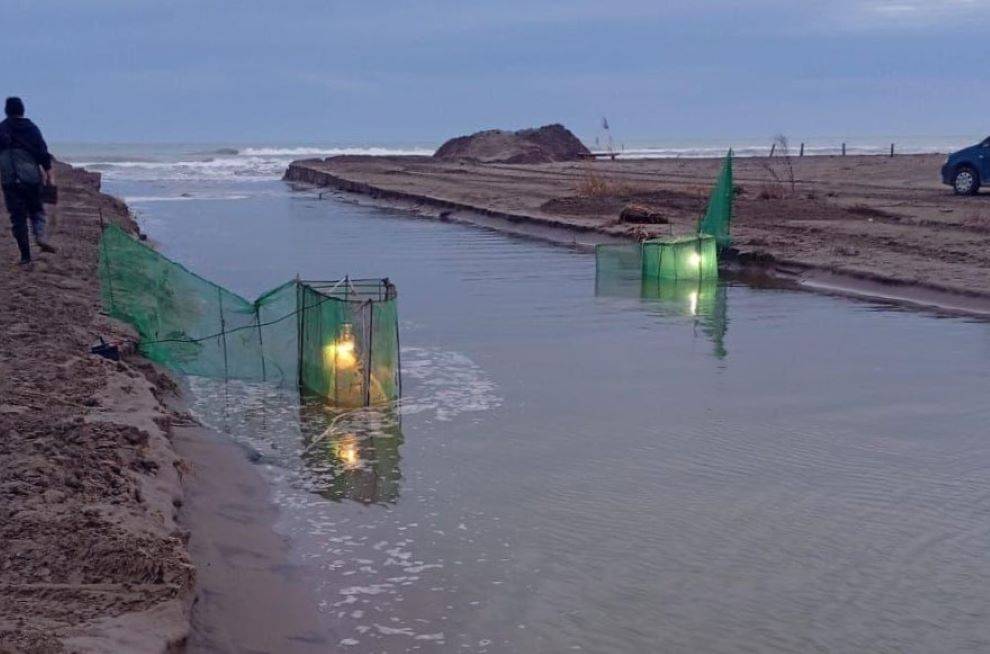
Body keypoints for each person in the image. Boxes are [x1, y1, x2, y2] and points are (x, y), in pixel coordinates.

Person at [0, 96, 56, 266]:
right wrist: (49, 175)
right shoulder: (32, 129)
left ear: (7, 111)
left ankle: (25, 257)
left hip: (10, 180)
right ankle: (39, 235)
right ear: (22, 110)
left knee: (18, 218)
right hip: (31, 178)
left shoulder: (1, 129)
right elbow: (43, 153)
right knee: (36, 210)